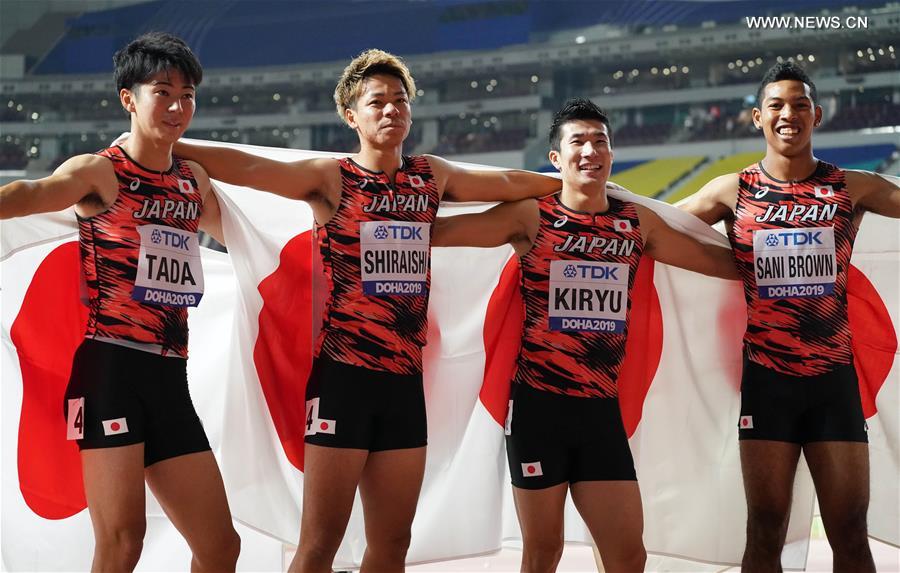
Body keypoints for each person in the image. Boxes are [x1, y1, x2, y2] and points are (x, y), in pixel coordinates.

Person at [169, 49, 561, 572]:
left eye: (400, 101)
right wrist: (164, 142)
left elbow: (512, 187)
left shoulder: (431, 178)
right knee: (319, 545)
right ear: (352, 116)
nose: (391, 110)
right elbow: (247, 167)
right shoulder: (331, 178)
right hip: (342, 382)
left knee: (393, 544)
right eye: (377, 102)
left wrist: (581, 187)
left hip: (403, 384)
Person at [432, 98, 738, 573]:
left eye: (600, 141)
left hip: (599, 413)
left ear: (612, 154)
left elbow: (718, 263)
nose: (590, 150)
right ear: (556, 158)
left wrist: (776, 263)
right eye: (578, 141)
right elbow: (446, 233)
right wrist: (377, 217)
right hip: (537, 410)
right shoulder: (531, 217)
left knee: (627, 556)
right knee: (543, 552)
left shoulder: (635, 224)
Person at [0, 32, 239, 572]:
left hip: (169, 377)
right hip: (110, 372)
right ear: (128, 98)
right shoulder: (98, 173)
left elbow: (252, 244)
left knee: (220, 547)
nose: (178, 106)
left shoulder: (191, 182)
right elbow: (28, 196)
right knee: (121, 542)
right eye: (163, 91)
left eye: (188, 94)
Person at [681, 62, 900, 573]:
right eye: (777, 105)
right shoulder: (730, 191)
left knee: (850, 532)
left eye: (800, 104)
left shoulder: (851, 187)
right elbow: (648, 230)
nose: (789, 114)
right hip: (768, 381)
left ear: (817, 115)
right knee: (765, 529)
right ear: (757, 118)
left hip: (833, 382)